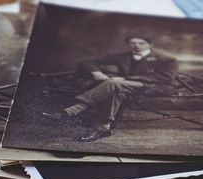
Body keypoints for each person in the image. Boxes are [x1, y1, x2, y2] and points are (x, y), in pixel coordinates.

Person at [43, 36, 178, 142]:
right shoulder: (123, 56)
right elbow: (86, 61)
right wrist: (97, 73)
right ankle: (103, 128)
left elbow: (166, 78)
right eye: (132, 43)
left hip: (153, 87)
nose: (136, 45)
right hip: (123, 87)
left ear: (149, 44)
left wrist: (127, 79)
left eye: (141, 43)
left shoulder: (166, 59)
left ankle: (72, 110)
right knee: (116, 90)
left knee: (114, 84)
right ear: (128, 44)